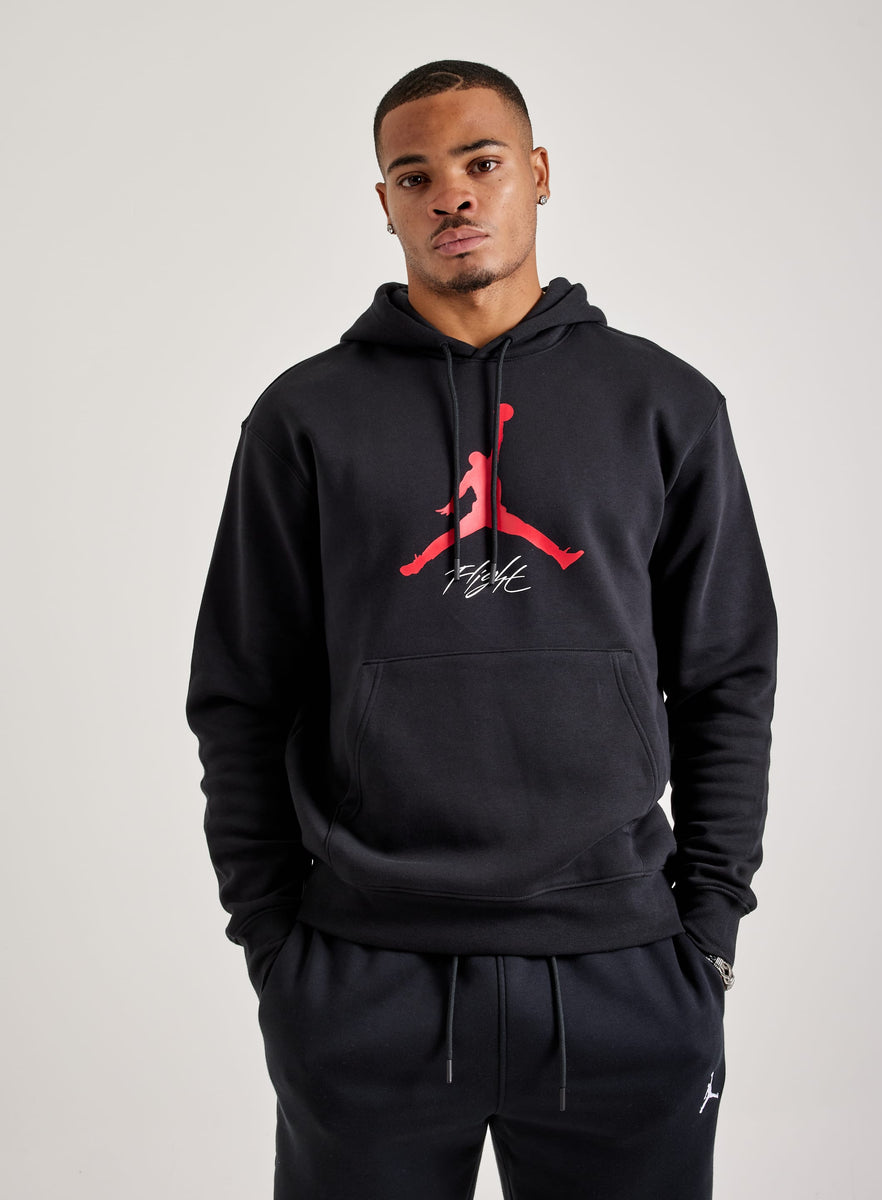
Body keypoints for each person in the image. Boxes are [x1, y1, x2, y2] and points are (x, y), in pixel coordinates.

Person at [185, 59, 778, 1200]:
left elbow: (727, 678)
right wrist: (273, 942)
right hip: (364, 978)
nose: (450, 194)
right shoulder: (303, 418)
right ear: (385, 203)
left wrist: (708, 928)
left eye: (481, 162)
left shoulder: (664, 405)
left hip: (624, 970)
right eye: (414, 175)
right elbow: (241, 694)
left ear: (538, 174)